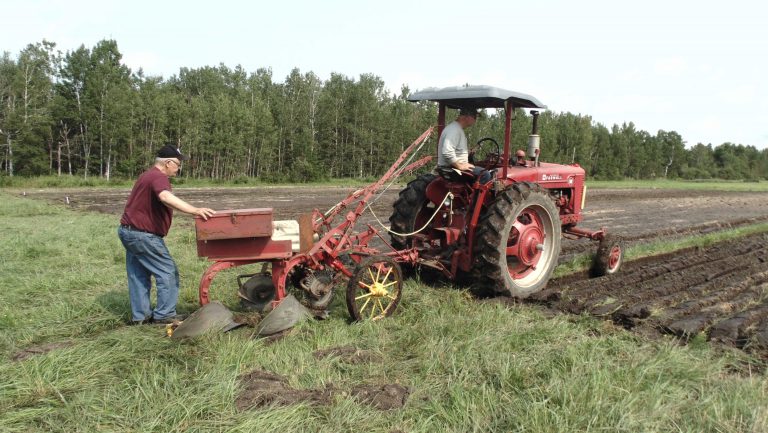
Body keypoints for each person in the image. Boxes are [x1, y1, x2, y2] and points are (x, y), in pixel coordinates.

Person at [118, 145, 216, 325]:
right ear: (168, 163)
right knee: (167, 271)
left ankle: (140, 317)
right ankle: (164, 315)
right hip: (143, 235)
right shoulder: (158, 177)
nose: (178, 168)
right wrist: (195, 210)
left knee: (138, 274)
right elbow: (165, 197)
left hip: (128, 232)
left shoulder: (146, 175)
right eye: (178, 164)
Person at [437, 107, 492, 183]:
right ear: (467, 117)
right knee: (485, 174)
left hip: (450, 168)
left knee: (476, 168)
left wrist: (467, 152)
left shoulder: (455, 128)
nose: (475, 120)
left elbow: (453, 150)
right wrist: (460, 166)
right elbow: (447, 152)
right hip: (453, 170)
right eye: (474, 117)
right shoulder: (454, 130)